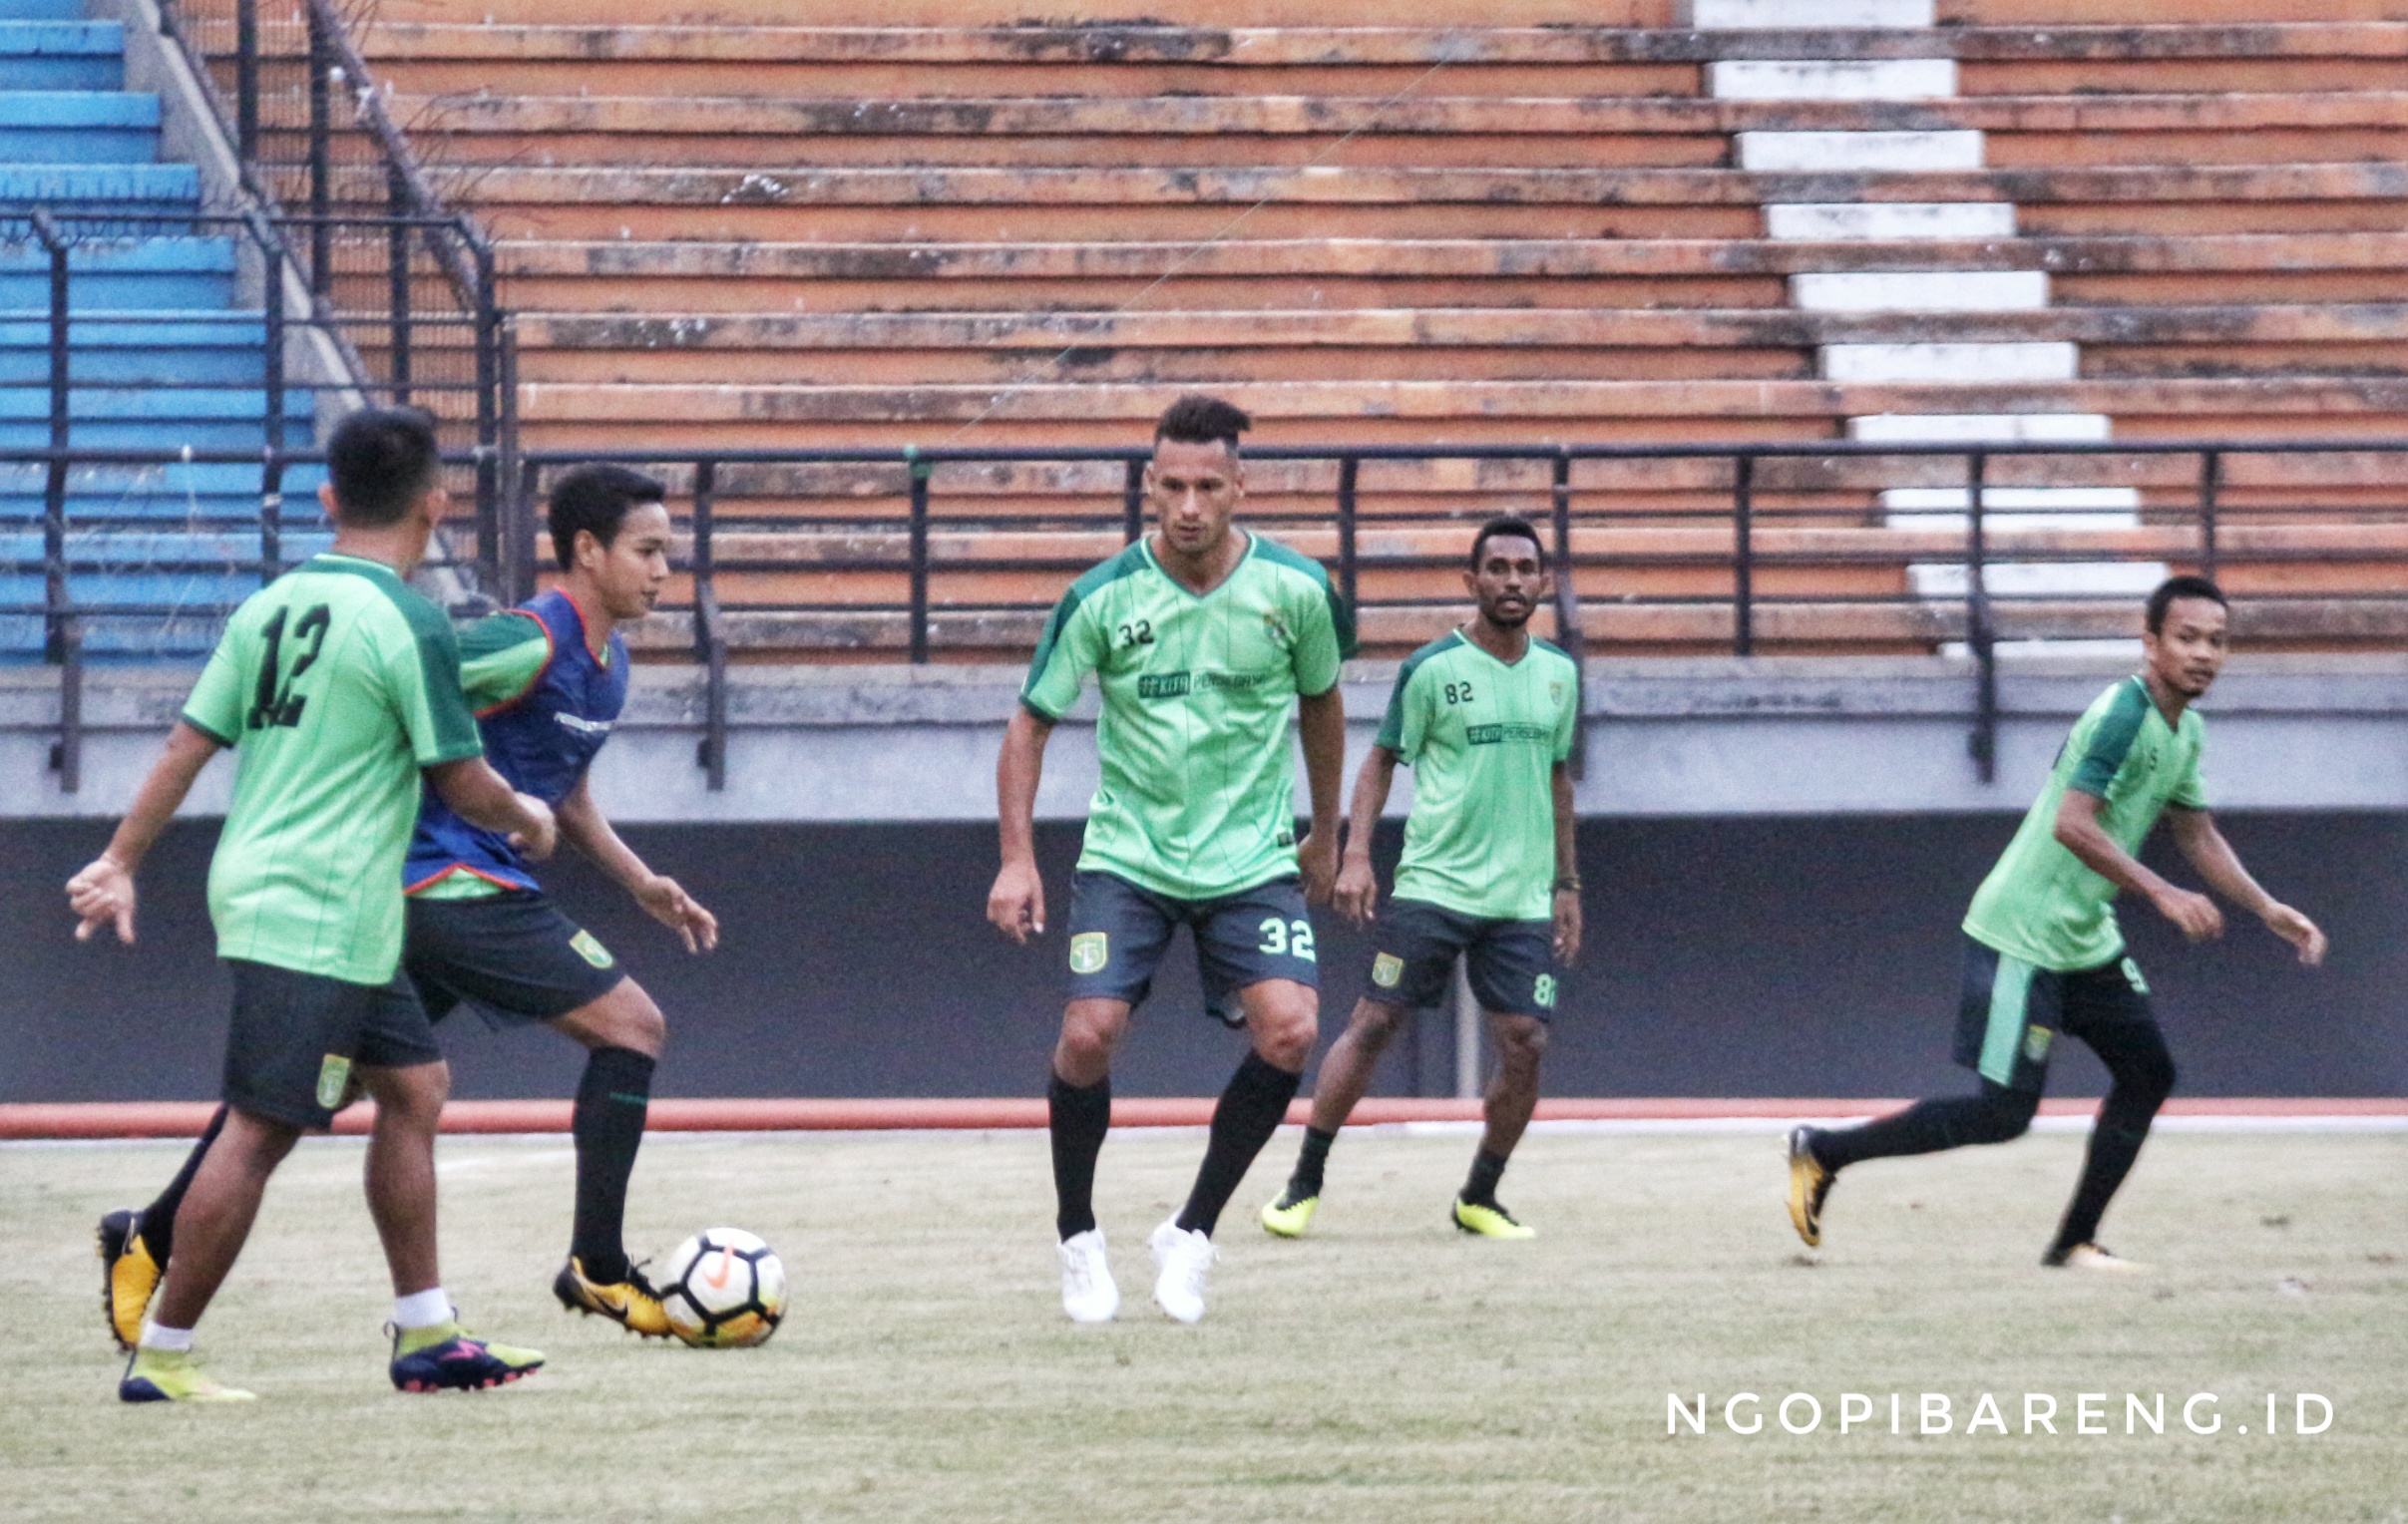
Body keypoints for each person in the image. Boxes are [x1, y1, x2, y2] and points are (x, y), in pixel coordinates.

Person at [98, 465, 719, 1351]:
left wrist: (639, 881)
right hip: (443, 884)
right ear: (587, 552)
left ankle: (149, 1234)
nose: (665, 570)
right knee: (633, 1027)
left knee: (305, 1097)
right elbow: (403, 689)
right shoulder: (524, 641)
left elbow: (561, 788)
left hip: (434, 893)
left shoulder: (606, 662)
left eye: (669, 551)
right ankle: (600, 1268)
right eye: (648, 550)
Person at [69, 407, 558, 1401]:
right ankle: (162, 1355)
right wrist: (528, 818)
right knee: (261, 1129)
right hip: (319, 906)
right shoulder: (409, 618)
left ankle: (425, 1334)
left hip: (295, 893)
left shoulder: (267, 606)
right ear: (438, 502)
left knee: (416, 1089)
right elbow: (460, 778)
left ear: (328, 499)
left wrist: (123, 858)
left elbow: (186, 745)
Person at [1785, 575, 2327, 1270]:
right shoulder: (2121, 715)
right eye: (2187, 638)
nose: (2204, 654)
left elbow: (2197, 834)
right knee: (2002, 1115)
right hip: (2022, 935)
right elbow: (2075, 824)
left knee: (2147, 1072)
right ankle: (1822, 1152)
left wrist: (2266, 907)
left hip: (2083, 940)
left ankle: (2074, 1243)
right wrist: (2161, 893)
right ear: (2150, 643)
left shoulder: (2186, 729)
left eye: (2217, 641)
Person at [988, 393, 1354, 1324]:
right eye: (1172, 487)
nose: (1189, 506)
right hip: (1130, 856)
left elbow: (1323, 704)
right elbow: (1030, 722)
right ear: (1149, 488)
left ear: (1241, 486)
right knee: (1086, 1037)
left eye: (1207, 486)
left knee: (1292, 1031)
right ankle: (1079, 1238)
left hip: (1252, 858)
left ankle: (1191, 1234)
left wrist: (1327, 830)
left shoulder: (1298, 592)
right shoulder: (1104, 597)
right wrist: (1017, 859)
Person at [1261, 517, 1581, 1241]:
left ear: (1544, 582)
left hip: (1522, 898)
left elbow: (1559, 780)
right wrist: (1355, 854)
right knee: (1373, 1023)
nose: (1511, 580)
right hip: (1435, 886)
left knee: (1526, 1042)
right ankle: (1302, 1183)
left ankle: (1480, 1196)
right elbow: (1379, 762)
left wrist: (1568, 885)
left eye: (1524, 568)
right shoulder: (1432, 668)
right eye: (1496, 568)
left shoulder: (1560, 674)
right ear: (1471, 583)